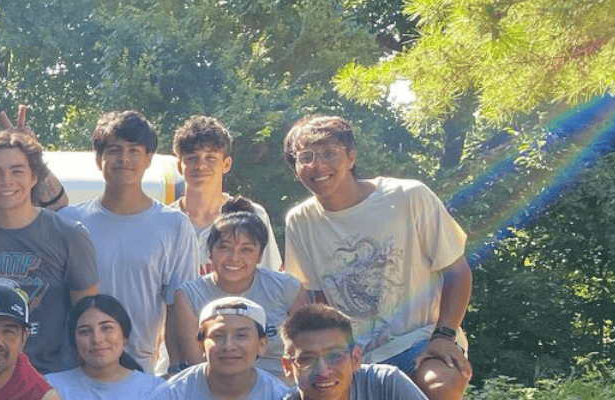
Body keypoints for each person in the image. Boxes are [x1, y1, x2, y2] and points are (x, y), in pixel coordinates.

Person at [280, 115, 471, 400]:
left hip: (420, 339)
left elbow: (457, 272)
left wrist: (445, 336)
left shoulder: (409, 196)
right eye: (305, 157)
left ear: (351, 156)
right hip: (352, 354)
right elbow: (316, 299)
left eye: (329, 153)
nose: (317, 165)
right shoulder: (300, 220)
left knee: (440, 385)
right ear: (296, 167)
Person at [58, 110, 200, 372]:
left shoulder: (174, 226)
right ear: (99, 158)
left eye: (134, 150)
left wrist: (178, 370)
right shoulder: (69, 223)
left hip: (142, 371)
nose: (124, 159)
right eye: (114, 150)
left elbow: (178, 308)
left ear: (148, 159)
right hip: (76, 370)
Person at [0, 130, 100, 374]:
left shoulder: (69, 235)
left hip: (49, 376)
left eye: (17, 171)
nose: (6, 181)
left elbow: (86, 315)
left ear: (34, 177)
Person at [168, 198, 303, 377]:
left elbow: (306, 352)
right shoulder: (188, 295)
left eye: (246, 250)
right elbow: (197, 364)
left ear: (261, 254)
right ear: (210, 252)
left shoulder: (288, 288)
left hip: (281, 387)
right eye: (225, 247)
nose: (234, 257)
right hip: (217, 388)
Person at [166, 116, 279, 272]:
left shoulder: (251, 215)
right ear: (180, 166)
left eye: (211, 158)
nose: (200, 165)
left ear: (226, 164)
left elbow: (271, 281)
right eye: (192, 158)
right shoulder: (165, 221)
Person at [151, 297, 291, 400]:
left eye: (241, 335)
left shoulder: (279, 396)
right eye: (218, 336)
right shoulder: (172, 395)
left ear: (261, 345)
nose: (229, 346)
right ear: (201, 344)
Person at [280, 305, 428, 400]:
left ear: (356, 358)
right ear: (288, 366)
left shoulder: (387, 384)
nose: (323, 371)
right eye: (307, 359)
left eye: (335, 356)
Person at [45, 295, 163, 400]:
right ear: (74, 341)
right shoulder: (50, 387)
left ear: (124, 336)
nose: (97, 339)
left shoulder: (154, 390)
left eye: (106, 328)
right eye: (85, 331)